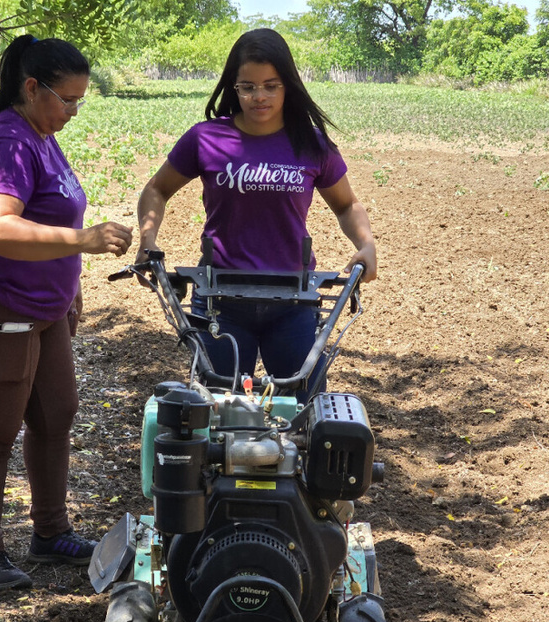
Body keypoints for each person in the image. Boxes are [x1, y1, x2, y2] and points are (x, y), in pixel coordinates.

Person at [0, 35, 133, 592]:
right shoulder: (6, 145)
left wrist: (68, 287)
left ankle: (49, 534)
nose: (73, 112)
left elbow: (46, 216)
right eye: (67, 100)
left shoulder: (41, 137)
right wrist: (84, 239)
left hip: (42, 310)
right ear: (31, 87)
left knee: (56, 414)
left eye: (79, 102)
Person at [136, 28, 377, 402]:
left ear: (288, 86)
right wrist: (147, 242)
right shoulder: (206, 139)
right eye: (247, 87)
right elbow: (157, 189)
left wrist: (366, 243)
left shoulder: (310, 143)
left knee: (304, 411)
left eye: (271, 86)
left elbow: (346, 205)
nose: (258, 97)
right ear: (233, 87)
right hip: (221, 300)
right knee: (217, 413)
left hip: (294, 302)